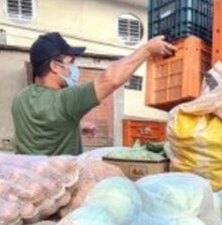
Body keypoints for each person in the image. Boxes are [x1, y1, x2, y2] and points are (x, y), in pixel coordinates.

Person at [12, 32, 174, 155]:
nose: (74, 69)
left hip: (29, 185)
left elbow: (45, 125)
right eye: (71, 62)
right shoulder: (65, 100)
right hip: (60, 189)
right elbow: (111, 79)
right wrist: (147, 49)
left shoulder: (21, 98)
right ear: (55, 66)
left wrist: (78, 126)